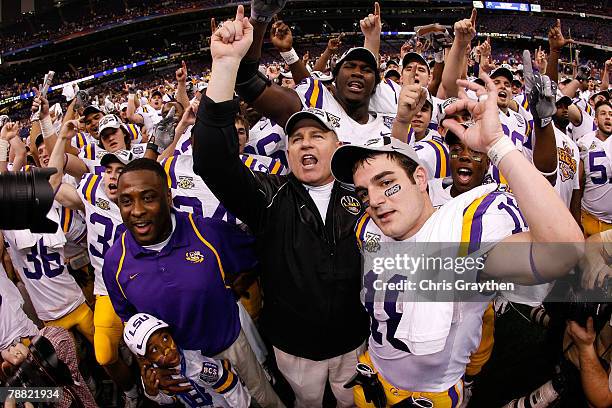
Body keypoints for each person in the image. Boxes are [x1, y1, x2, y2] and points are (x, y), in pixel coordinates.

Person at [189, 4, 431, 405]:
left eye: (317, 135)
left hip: (357, 340)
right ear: (286, 150)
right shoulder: (267, 196)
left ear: (338, 147)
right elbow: (212, 159)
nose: (305, 143)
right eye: (296, 137)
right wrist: (226, 66)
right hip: (293, 349)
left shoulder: (362, 196)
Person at [330, 73, 584, 406]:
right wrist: (403, 123)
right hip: (371, 372)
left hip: (425, 396)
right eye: (365, 192)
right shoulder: (371, 227)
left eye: (386, 183)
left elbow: (562, 250)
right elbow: (396, 162)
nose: (375, 200)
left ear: (422, 178)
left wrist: (497, 144)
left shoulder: (462, 243)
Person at [101, 158, 284, 407]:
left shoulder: (209, 234)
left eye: (148, 197)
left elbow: (253, 260)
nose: (137, 210)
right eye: (126, 201)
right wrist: (149, 364)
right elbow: (130, 321)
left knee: (262, 401)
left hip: (230, 348)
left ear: (168, 197)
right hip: (177, 365)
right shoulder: (114, 262)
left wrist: (229, 292)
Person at [48, 121, 139, 407]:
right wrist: (62, 137)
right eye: (108, 170)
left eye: (120, 171)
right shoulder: (91, 192)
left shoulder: (141, 199)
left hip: (142, 285)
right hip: (105, 290)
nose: (112, 176)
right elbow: (51, 185)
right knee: (103, 355)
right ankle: (130, 390)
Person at [123, 313, 251, 408]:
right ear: (145, 358)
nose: (166, 350)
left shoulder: (197, 363)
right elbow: (171, 400)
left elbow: (232, 388)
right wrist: (153, 392)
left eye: (165, 338)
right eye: (154, 349)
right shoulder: (155, 374)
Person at [574, 101, 612, 237]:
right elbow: (578, 183)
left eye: (611, 114)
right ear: (595, 120)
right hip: (589, 218)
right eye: (603, 114)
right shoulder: (584, 143)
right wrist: (576, 215)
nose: (608, 117)